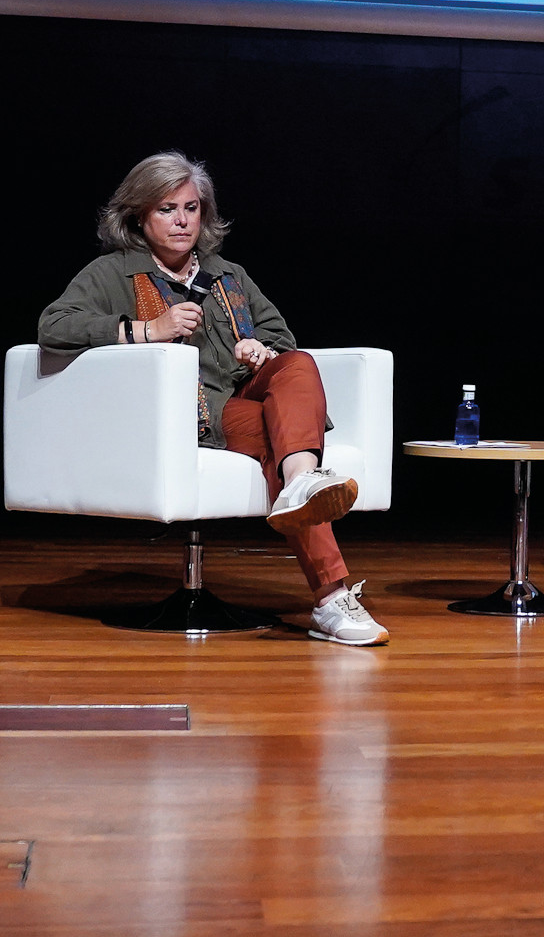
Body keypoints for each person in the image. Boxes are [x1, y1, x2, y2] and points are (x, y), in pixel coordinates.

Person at [37, 151, 388, 645]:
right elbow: (53, 327)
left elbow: (280, 335)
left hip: (244, 392)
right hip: (191, 412)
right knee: (276, 437)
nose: (182, 220)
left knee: (297, 363)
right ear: (138, 216)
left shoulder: (228, 274)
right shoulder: (112, 273)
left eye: (191, 208)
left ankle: (300, 482)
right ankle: (331, 598)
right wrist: (147, 329)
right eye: (166, 209)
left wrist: (259, 349)